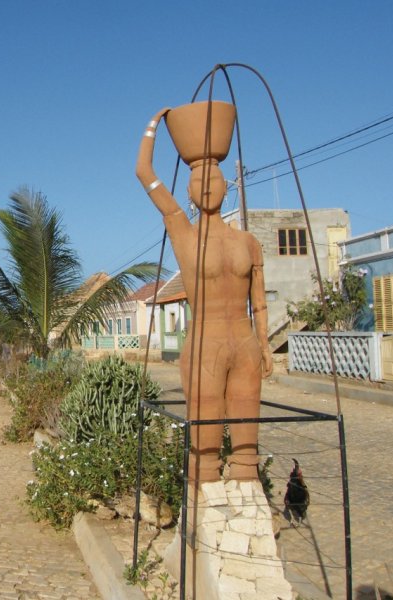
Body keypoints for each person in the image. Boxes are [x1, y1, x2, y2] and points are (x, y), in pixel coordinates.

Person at [136, 105, 272, 485]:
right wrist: (153, 126)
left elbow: (259, 300)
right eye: (199, 181)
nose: (208, 186)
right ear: (190, 192)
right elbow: (144, 174)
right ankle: (202, 519)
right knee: (205, 453)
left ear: (227, 184)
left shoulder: (248, 242)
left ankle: (249, 515)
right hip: (205, 345)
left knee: (247, 453)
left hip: (244, 343)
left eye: (215, 178)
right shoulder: (185, 235)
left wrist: (263, 343)